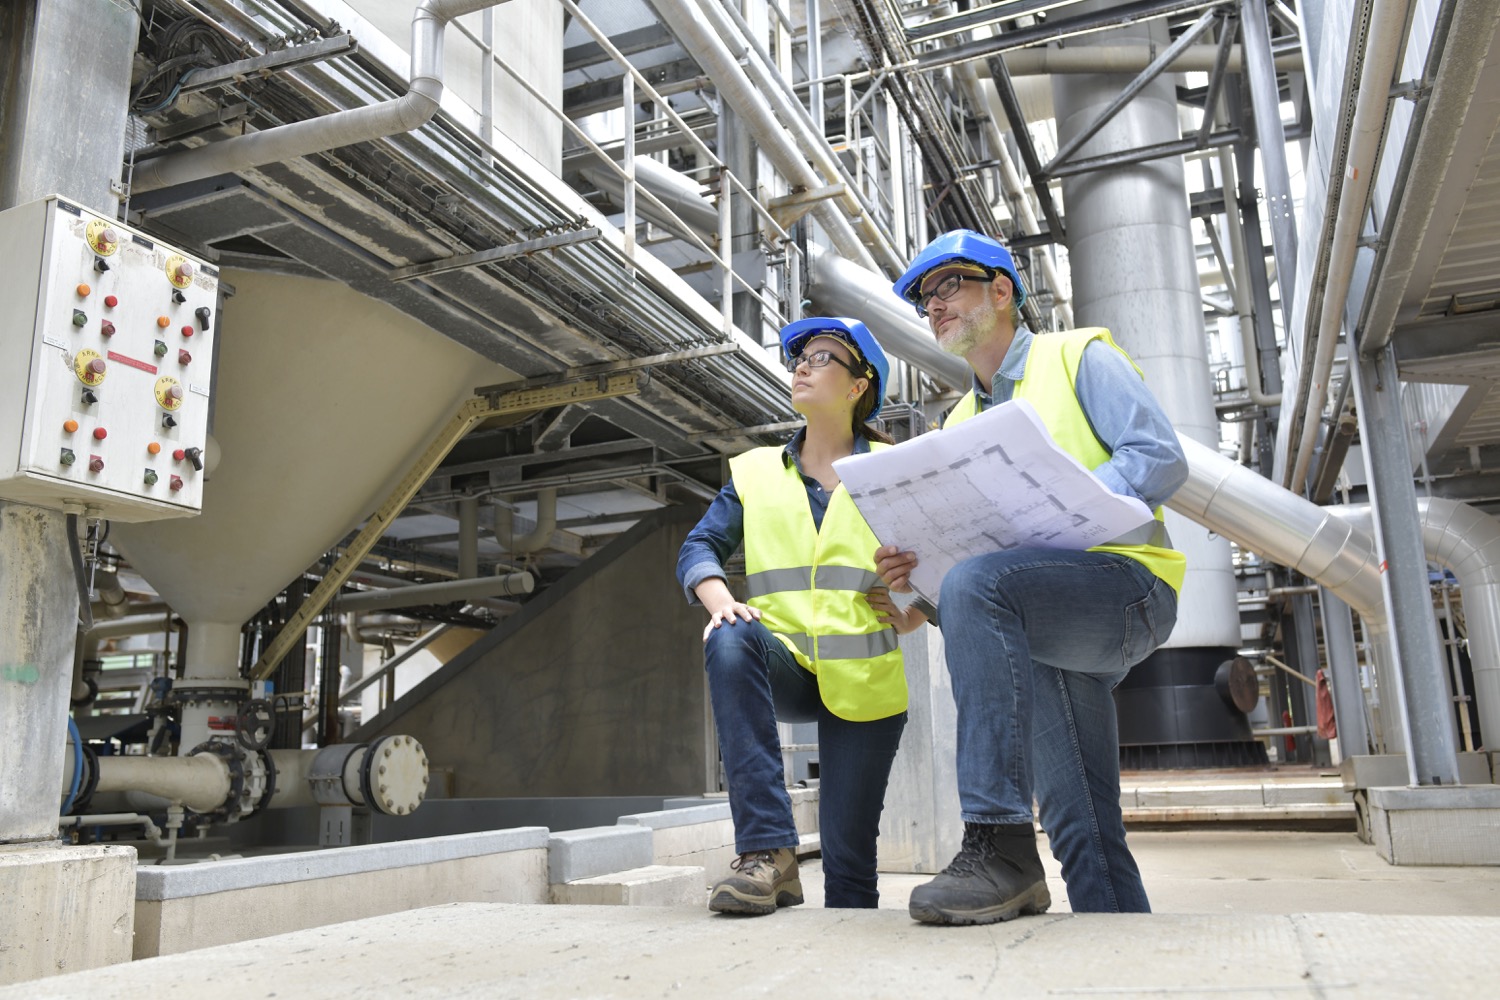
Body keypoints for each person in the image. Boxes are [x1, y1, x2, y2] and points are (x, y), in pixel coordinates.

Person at [879, 229, 1188, 924]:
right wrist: (917, 578)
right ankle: (1121, 958)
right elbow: (970, 592)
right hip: (1032, 619)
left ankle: (999, 844)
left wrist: (1058, 505)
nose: (933, 304)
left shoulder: (1078, 356)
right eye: (925, 297)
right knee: (1083, 822)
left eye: (947, 284)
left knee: (983, 585)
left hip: (1125, 589)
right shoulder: (956, 422)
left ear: (1001, 290)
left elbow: (1159, 458)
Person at [676, 317, 925, 915]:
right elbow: (698, 546)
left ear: (858, 385)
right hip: (783, 662)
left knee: (849, 873)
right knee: (730, 637)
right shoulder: (756, 471)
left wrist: (917, 612)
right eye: (799, 357)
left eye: (821, 357)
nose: (802, 365)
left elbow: (946, 555)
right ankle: (768, 852)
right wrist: (720, 602)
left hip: (865, 686)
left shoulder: (896, 469)